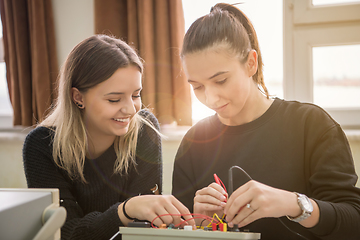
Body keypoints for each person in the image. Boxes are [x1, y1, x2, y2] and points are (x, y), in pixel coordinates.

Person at [172, 3, 360, 240]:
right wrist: (201, 223)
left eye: (221, 81)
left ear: (251, 63)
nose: (209, 98)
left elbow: (353, 222)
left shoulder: (311, 125)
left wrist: (294, 204)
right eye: (197, 87)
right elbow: (176, 231)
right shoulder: (194, 142)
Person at [23, 34, 195, 240]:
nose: (131, 110)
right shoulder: (41, 146)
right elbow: (65, 233)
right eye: (114, 99)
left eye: (136, 95)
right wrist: (124, 211)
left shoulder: (144, 130)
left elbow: (144, 231)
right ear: (78, 97)